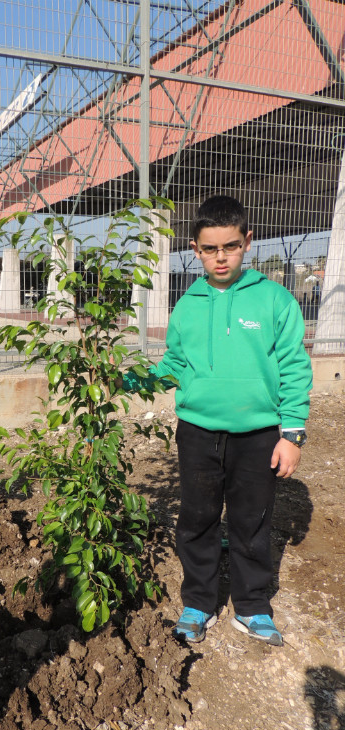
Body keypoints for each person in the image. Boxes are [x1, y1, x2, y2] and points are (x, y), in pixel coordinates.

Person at [120, 195, 312, 646]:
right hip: (199, 433)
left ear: (248, 241)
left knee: (251, 521)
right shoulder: (189, 303)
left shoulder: (274, 301)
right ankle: (199, 602)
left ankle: (252, 606)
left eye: (230, 246)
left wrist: (292, 434)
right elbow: (175, 362)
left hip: (258, 435)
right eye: (210, 249)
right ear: (195, 248)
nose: (220, 257)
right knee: (198, 519)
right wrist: (133, 380)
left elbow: (294, 367)